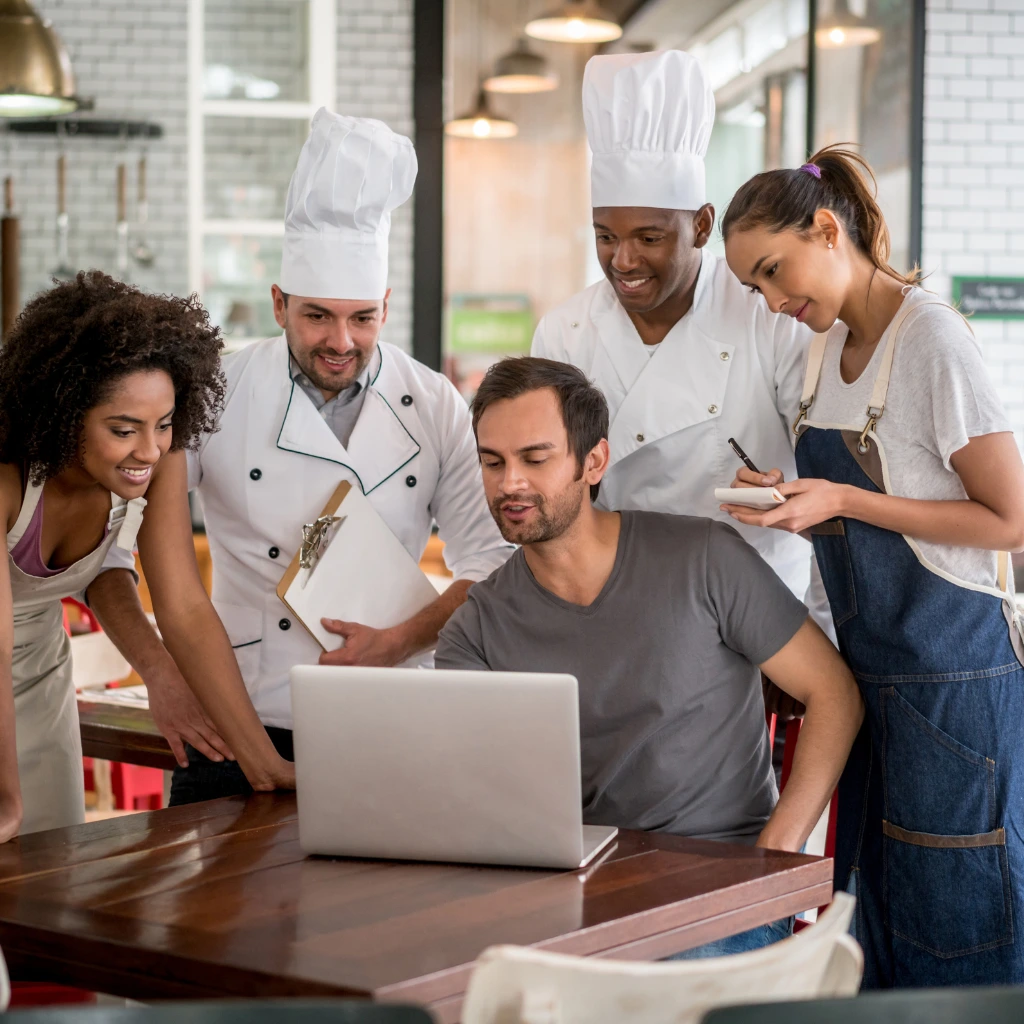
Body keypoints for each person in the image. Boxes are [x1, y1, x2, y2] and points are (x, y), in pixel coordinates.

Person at [91, 109, 512, 806]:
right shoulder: (210, 393)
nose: (341, 341)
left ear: (385, 305)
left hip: (388, 714)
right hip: (239, 716)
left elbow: (492, 560)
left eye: (362, 318)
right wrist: (162, 675)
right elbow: (115, 549)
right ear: (279, 303)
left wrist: (400, 639)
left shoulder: (435, 402)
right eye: (317, 315)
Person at [434, 356, 864, 957]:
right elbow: (474, 795)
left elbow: (835, 693)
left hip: (718, 887)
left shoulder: (705, 558)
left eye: (535, 459)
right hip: (569, 894)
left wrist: (776, 854)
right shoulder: (473, 629)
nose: (510, 484)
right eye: (493, 462)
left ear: (593, 462)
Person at [719, 145, 1024, 987]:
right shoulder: (827, 349)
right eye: (754, 289)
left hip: (955, 688)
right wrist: (793, 497)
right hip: (866, 683)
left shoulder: (931, 339)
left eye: (774, 272)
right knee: (874, 924)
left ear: (827, 230)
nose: (773, 302)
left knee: (958, 929)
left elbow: (1010, 519)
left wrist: (845, 500)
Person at [530, 50, 830, 654]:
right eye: (606, 236)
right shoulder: (564, 334)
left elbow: (828, 501)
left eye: (649, 237)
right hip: (613, 619)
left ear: (700, 224)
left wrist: (821, 639)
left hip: (757, 629)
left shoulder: (771, 318)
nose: (623, 261)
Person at [0, 271, 294, 843]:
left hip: (36, 669)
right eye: (123, 429)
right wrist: (6, 797)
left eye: (164, 425)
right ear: (63, 414)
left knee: (50, 862)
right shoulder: (10, 475)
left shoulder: (156, 457)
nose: (150, 450)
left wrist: (265, 765)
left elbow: (184, 607)